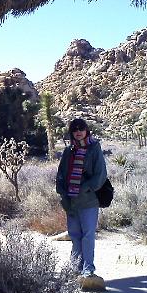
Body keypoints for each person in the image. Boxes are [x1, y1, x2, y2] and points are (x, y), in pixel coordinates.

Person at [56, 118, 107, 277]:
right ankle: (75, 268)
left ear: (86, 131)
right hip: (71, 201)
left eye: (81, 128)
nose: (78, 132)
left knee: (88, 235)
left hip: (88, 201)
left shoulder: (94, 149)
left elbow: (100, 174)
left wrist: (84, 189)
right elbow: (61, 174)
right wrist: (62, 192)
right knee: (75, 235)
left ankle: (88, 269)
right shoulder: (68, 151)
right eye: (75, 129)